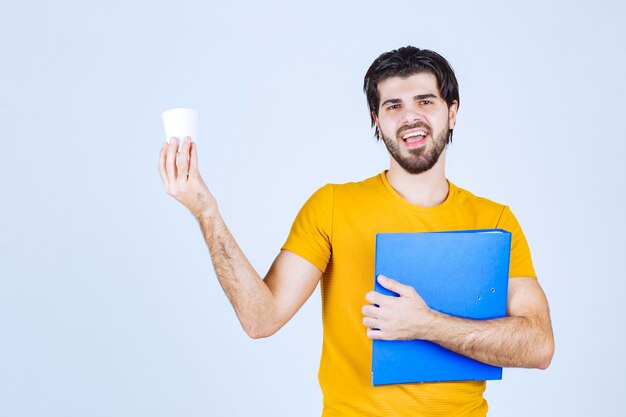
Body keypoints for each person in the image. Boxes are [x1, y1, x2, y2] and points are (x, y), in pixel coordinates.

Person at [158, 46, 554, 417]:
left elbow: (538, 345)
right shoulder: (332, 207)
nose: (410, 116)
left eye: (425, 101)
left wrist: (426, 324)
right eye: (393, 105)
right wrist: (206, 211)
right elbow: (260, 320)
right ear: (376, 122)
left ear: (452, 113)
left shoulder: (495, 220)